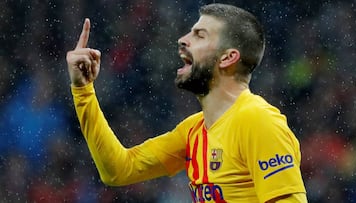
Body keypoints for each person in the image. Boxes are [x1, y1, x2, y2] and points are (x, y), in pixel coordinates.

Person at [66, 3, 307, 202]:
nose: (182, 39)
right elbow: (118, 170)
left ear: (228, 57)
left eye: (199, 35)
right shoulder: (193, 131)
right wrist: (83, 90)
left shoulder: (257, 120)